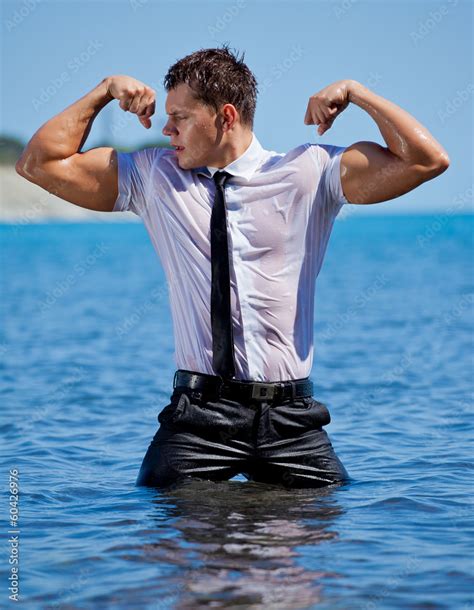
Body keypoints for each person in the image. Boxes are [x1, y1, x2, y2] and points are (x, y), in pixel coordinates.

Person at [16, 45, 449, 489]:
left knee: (327, 539)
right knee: (166, 534)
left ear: (225, 117)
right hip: (199, 418)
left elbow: (426, 159)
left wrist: (358, 93)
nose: (166, 129)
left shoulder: (309, 172)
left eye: (180, 117)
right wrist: (103, 91)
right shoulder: (154, 177)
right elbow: (40, 163)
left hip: (290, 421)